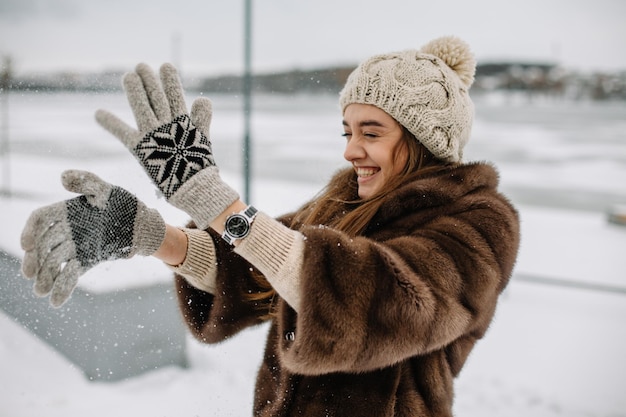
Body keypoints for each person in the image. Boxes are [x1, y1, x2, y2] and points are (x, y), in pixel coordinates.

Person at [20, 36, 520, 416]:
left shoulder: (479, 222)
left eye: (372, 132)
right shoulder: (345, 200)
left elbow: (381, 301)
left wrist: (215, 200)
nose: (350, 150)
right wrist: (153, 236)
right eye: (348, 131)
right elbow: (256, 271)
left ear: (426, 140)